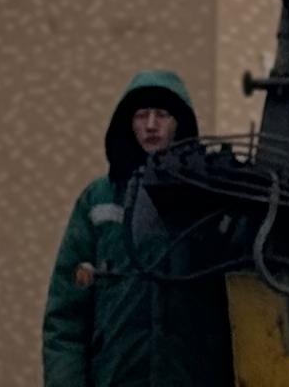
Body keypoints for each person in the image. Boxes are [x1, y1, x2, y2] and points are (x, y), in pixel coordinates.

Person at [41, 69, 240, 387]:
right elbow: (66, 317)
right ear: (128, 123)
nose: (151, 125)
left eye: (162, 114)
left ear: (179, 124)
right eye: (141, 115)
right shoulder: (98, 201)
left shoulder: (208, 201)